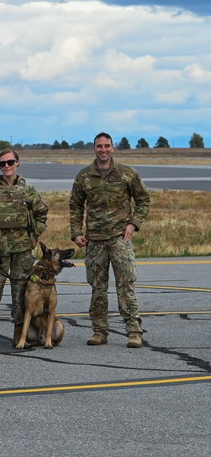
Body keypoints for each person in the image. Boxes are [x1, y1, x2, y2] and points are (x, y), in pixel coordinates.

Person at [69, 132, 151, 348]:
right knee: (97, 288)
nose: (103, 150)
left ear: (112, 148)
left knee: (126, 285)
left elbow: (143, 199)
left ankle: (134, 331)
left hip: (119, 239)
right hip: (95, 241)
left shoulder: (126, 174)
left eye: (106, 146)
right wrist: (76, 232)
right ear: (94, 148)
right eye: (99, 146)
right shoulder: (84, 176)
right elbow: (75, 206)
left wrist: (133, 224)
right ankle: (99, 331)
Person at [0, 149, 48, 349]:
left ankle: (18, 335)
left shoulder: (28, 190)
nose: (6, 166)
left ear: (17, 163)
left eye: (10, 162)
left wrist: (34, 236)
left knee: (21, 292)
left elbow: (42, 214)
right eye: (2, 163)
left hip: (22, 250)